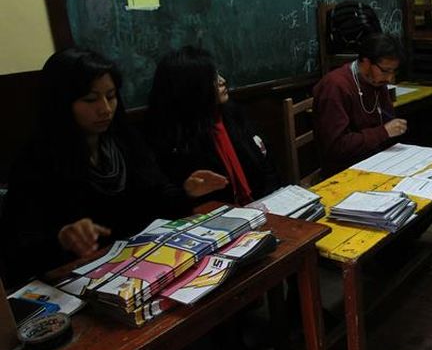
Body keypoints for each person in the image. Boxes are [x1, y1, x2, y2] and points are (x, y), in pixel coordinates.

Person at [1, 48, 227, 288]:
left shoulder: (123, 140)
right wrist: (62, 238)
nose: (105, 109)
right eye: (90, 99)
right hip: (75, 282)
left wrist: (185, 191)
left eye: (111, 96)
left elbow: (154, 198)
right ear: (61, 102)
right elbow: (20, 247)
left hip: (137, 265)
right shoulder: (36, 160)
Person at [144, 46, 281, 206]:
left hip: (261, 208)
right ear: (193, 88)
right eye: (212, 78)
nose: (222, 81)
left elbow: (266, 164)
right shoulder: (175, 139)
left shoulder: (231, 115)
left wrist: (271, 202)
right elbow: (165, 200)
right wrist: (186, 193)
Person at [312, 32, 408, 176]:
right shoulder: (335, 86)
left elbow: (387, 121)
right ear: (366, 61)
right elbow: (336, 146)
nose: (389, 78)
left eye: (393, 71)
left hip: (376, 160)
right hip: (344, 170)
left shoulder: (377, 81)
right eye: (385, 71)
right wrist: (383, 132)